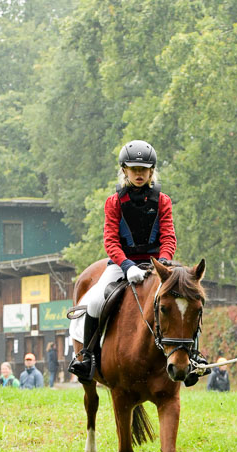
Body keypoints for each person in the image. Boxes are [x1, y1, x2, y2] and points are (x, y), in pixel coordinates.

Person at [68, 139, 177, 381]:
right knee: (96, 302)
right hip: (121, 265)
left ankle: (193, 357)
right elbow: (110, 241)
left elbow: (169, 237)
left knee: (185, 297)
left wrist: (164, 261)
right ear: (125, 170)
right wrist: (127, 266)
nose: (139, 174)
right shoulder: (114, 202)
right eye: (134, 169)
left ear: (151, 172)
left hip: (156, 265)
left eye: (144, 170)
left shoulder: (163, 201)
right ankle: (87, 357)